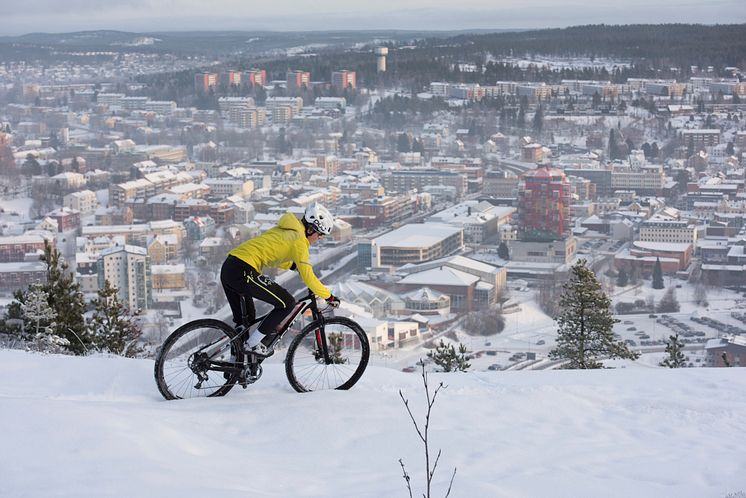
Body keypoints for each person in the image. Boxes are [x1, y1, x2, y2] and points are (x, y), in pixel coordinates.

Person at [220, 203, 340, 356]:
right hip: (243, 270)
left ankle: (235, 368)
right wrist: (329, 296)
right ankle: (252, 344)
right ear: (310, 229)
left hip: (230, 266)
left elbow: (272, 255)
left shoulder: (287, 230)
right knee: (287, 303)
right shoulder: (299, 240)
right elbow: (308, 277)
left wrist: (292, 265)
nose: (320, 238)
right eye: (320, 234)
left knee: (245, 322)